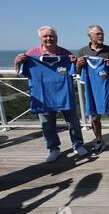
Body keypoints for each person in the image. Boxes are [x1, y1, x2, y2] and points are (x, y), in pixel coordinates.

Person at [14, 26, 88, 163]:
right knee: (47, 125)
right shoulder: (31, 55)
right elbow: (22, 73)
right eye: (45, 36)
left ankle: (78, 144)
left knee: (73, 122)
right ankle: (54, 149)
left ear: (56, 38)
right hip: (43, 97)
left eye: (51, 36)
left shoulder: (66, 54)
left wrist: (75, 63)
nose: (49, 39)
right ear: (40, 38)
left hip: (64, 95)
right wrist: (17, 62)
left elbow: (75, 72)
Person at [76, 25, 109, 154]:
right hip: (92, 90)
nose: (101, 36)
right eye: (97, 34)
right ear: (89, 36)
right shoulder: (83, 51)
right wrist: (78, 65)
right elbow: (78, 73)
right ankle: (99, 141)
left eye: (102, 33)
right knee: (95, 118)